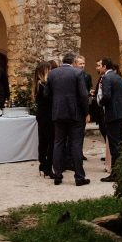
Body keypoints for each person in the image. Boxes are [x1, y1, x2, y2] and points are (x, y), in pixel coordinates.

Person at [44, 51, 90, 186]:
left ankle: (57, 175)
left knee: (58, 143)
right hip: (75, 115)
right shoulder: (77, 73)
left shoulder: (52, 73)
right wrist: (86, 112)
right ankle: (79, 177)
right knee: (76, 144)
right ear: (74, 62)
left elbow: (47, 94)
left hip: (58, 113)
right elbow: (83, 95)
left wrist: (57, 102)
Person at [99, 57, 122, 182]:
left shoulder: (107, 78)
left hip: (112, 115)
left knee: (114, 145)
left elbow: (106, 95)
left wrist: (100, 103)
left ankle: (116, 174)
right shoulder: (118, 77)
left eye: (100, 65)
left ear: (104, 66)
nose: (99, 68)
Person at [32, 61, 54, 178]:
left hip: (42, 116)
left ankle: (43, 165)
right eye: (49, 70)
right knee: (50, 142)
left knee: (43, 142)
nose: (51, 72)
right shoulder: (43, 85)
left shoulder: (38, 84)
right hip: (47, 117)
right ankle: (48, 168)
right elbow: (49, 100)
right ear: (44, 71)